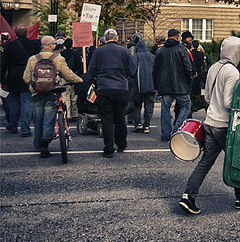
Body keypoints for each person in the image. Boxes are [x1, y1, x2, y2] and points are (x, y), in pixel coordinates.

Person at [179, 36, 240, 214]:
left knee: (205, 162)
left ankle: (188, 195)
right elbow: (228, 102)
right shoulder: (232, 71)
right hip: (224, 125)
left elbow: (208, 98)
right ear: (236, 51)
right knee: (237, 162)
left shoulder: (213, 68)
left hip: (210, 122)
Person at [23, 36, 83, 157]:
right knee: (49, 119)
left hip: (37, 93)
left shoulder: (32, 59)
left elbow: (26, 78)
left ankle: (38, 144)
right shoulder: (58, 59)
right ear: (51, 45)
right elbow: (68, 74)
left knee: (38, 120)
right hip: (52, 92)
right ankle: (45, 143)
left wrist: (34, 85)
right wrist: (80, 80)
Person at [88, 28, 136, 158]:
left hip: (104, 88)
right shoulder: (124, 51)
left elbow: (91, 70)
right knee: (120, 117)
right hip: (121, 88)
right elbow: (131, 70)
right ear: (116, 38)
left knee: (107, 119)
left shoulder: (98, 52)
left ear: (105, 38)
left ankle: (109, 149)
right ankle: (121, 144)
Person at [153, 28, 193, 142]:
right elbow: (187, 67)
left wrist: (156, 85)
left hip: (165, 85)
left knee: (165, 109)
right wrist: (189, 81)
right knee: (186, 105)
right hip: (180, 85)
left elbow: (155, 70)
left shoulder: (160, 51)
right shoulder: (181, 49)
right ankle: (177, 130)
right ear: (177, 37)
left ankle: (165, 134)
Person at [0, 25, 40, 136]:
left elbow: (3, 64)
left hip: (13, 75)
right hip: (28, 74)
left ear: (15, 34)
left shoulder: (9, 45)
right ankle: (25, 129)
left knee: (14, 102)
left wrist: (1, 78)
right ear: (27, 32)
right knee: (26, 102)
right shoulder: (34, 45)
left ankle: (13, 125)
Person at [131, 39, 155, 134]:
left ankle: (138, 123)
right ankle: (147, 125)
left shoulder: (136, 57)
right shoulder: (153, 57)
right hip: (151, 85)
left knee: (137, 105)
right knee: (149, 106)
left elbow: (132, 71)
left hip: (139, 85)